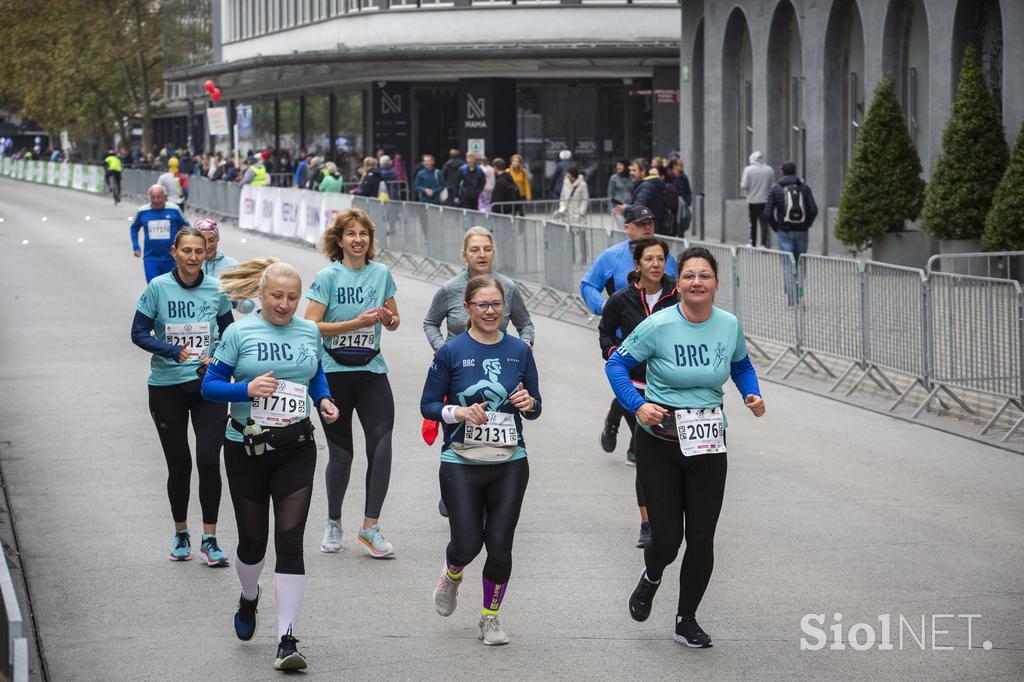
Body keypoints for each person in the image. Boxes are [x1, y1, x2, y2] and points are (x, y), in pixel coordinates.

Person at [605, 246, 765, 648]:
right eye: (690, 275)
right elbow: (616, 365)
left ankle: (686, 619)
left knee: (702, 536)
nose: (697, 282)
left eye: (704, 275)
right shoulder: (658, 325)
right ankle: (652, 576)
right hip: (660, 442)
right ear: (680, 284)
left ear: (715, 283)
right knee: (666, 539)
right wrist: (638, 405)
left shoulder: (728, 325)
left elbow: (741, 365)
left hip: (709, 442)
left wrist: (751, 394)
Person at [201, 258, 339, 671]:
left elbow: (314, 377)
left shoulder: (309, 331)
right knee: (252, 544)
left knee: (291, 541)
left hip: (296, 446)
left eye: (293, 297)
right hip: (246, 448)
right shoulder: (238, 332)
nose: (285, 305)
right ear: (260, 296)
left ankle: (287, 639)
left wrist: (324, 400)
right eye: (277, 296)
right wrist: (246, 387)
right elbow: (210, 387)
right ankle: (248, 598)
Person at [420, 274, 542, 646]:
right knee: (468, 543)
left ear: (505, 309)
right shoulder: (451, 351)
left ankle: (490, 618)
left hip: (509, 460)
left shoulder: (520, 351)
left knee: (501, 546)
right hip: (461, 461)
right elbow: (428, 405)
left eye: (496, 305)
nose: (490, 312)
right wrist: (457, 413)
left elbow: (535, 406)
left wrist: (529, 404)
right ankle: (452, 573)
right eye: (482, 305)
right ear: (468, 309)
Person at [131, 227, 235, 566]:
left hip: (209, 386)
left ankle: (210, 538)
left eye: (199, 251)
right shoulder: (158, 287)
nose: (192, 257)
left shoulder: (216, 289)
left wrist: (217, 357)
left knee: (208, 460)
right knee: (180, 465)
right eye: (186, 250)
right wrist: (171, 350)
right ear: (174, 251)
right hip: (166, 388)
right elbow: (138, 333)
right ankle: (181, 532)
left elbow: (231, 333)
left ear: (207, 253)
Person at [304, 208, 400, 558]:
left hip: (372, 369)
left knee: (383, 445)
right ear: (340, 240)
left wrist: (387, 319)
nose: (358, 239)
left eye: (364, 234)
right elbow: (310, 325)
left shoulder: (381, 274)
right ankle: (333, 522)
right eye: (351, 234)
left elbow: (394, 320)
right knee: (342, 453)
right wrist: (354, 324)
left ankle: (370, 527)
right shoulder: (328, 276)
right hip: (333, 371)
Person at [580, 204, 678, 464]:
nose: (647, 227)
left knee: (649, 391)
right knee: (632, 387)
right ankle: (636, 443)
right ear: (628, 228)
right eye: (641, 223)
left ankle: (617, 422)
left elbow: (680, 291)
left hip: (663, 347)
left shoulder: (667, 258)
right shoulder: (611, 257)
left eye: (651, 223)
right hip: (627, 341)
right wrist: (602, 306)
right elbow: (588, 284)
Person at [598, 238, 677, 544]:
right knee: (647, 455)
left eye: (660, 259)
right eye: (649, 259)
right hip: (636, 387)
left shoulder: (677, 295)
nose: (656, 264)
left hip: (672, 388)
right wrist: (613, 351)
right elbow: (605, 332)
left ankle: (670, 511)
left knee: (671, 455)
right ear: (637, 264)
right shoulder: (621, 300)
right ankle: (648, 521)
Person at [764, 160, 818, 304]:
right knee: (800, 262)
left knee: (788, 264)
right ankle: (799, 295)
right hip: (802, 232)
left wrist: (777, 228)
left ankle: (792, 300)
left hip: (784, 232)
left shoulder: (776, 189)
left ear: (782, 172)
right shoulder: (804, 188)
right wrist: (806, 225)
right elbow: (813, 210)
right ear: (795, 172)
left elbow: (768, 213)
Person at [193, 218, 257, 315]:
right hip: (194, 325)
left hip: (222, 325)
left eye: (211, 240)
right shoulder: (189, 264)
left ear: (217, 238)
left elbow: (249, 305)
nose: (207, 246)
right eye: (203, 241)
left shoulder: (231, 266)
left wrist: (230, 300)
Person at [131, 184, 192, 282]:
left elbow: (186, 227)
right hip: (151, 258)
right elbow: (134, 228)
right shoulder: (143, 211)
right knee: (154, 287)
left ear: (164, 196)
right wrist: (136, 247)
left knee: (171, 287)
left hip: (172, 258)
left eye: (158, 197)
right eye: (153, 197)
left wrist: (185, 247)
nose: (155, 200)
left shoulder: (174, 209)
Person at [740, 151, 775, 247]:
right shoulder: (769, 170)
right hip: (765, 200)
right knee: (764, 223)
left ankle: (753, 242)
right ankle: (764, 243)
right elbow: (772, 185)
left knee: (752, 223)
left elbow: (744, 185)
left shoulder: (748, 170)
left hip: (752, 201)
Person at [668, 158, 694, 237]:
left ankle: (680, 236)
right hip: (672, 205)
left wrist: (687, 201)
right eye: (679, 164)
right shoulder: (669, 176)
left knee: (686, 219)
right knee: (673, 224)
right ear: (674, 165)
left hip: (683, 204)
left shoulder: (683, 177)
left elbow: (688, 190)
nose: (681, 166)